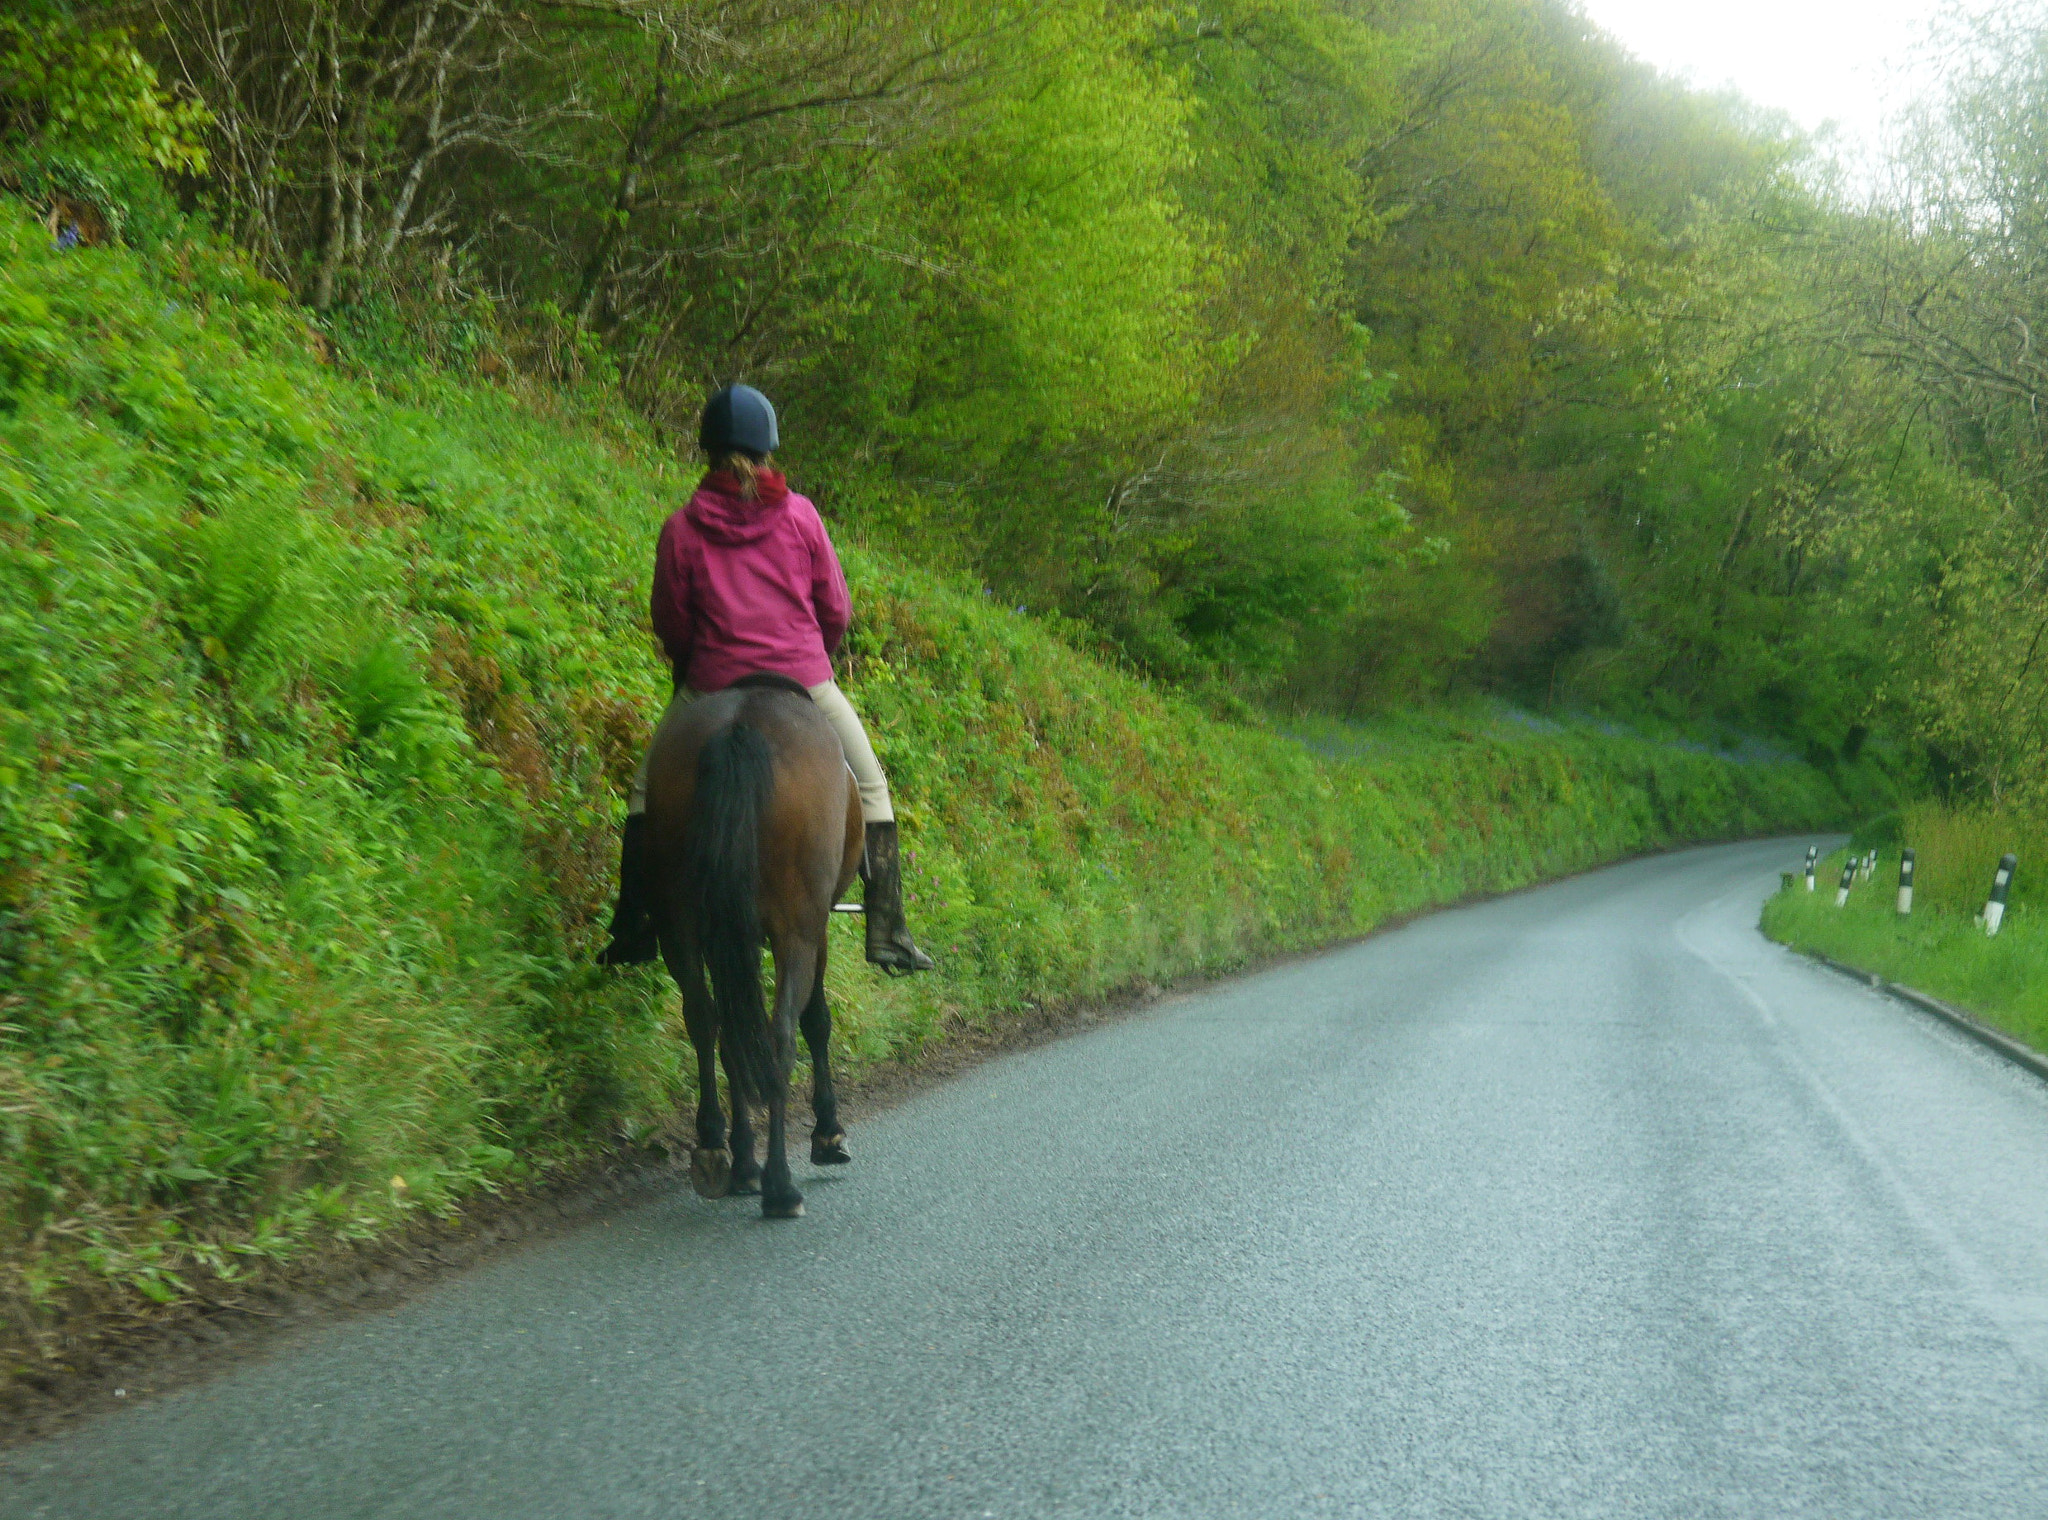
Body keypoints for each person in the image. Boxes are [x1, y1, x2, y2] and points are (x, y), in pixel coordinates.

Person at [597, 383, 935, 974]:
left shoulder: (680, 529)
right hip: (802, 680)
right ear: (768, 452)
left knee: (646, 793)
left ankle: (634, 923)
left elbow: (671, 622)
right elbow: (836, 608)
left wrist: (696, 671)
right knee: (874, 790)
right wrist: (810, 660)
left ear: (706, 453)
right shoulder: (801, 515)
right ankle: (888, 930)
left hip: (712, 683)